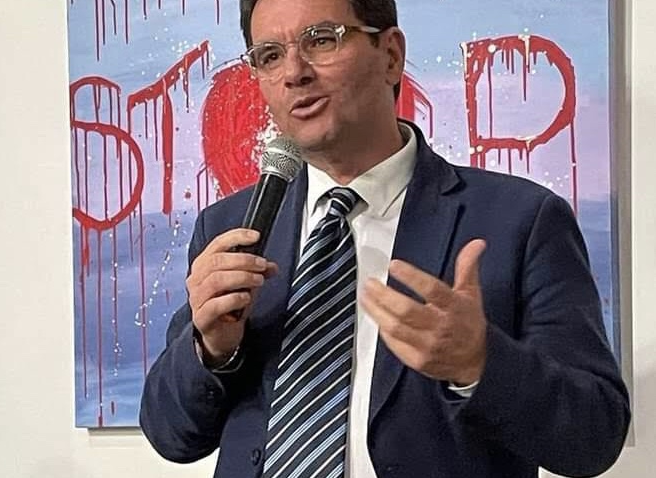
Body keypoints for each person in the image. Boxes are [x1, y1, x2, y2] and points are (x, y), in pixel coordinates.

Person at [139, 0, 631, 476]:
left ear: (391, 54)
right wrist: (211, 348)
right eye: (270, 55)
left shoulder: (519, 220)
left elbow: (595, 436)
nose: (294, 73)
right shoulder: (231, 227)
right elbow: (171, 436)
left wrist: (481, 363)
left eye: (321, 39)